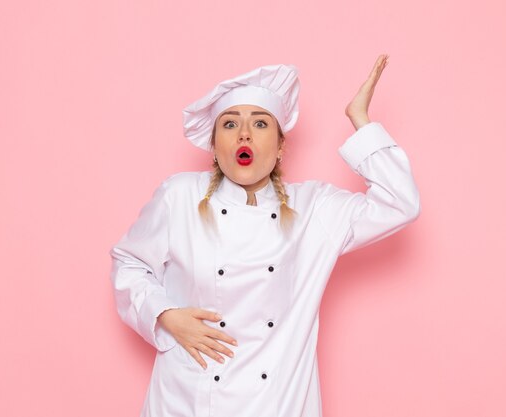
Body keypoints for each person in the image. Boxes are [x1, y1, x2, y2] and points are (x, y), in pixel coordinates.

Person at [109, 54, 420, 417]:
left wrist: (361, 121)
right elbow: (128, 263)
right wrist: (164, 315)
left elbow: (401, 204)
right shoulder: (179, 196)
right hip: (188, 399)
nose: (244, 133)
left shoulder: (314, 209)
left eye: (259, 123)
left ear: (280, 146)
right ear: (214, 147)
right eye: (229, 124)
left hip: (278, 404)